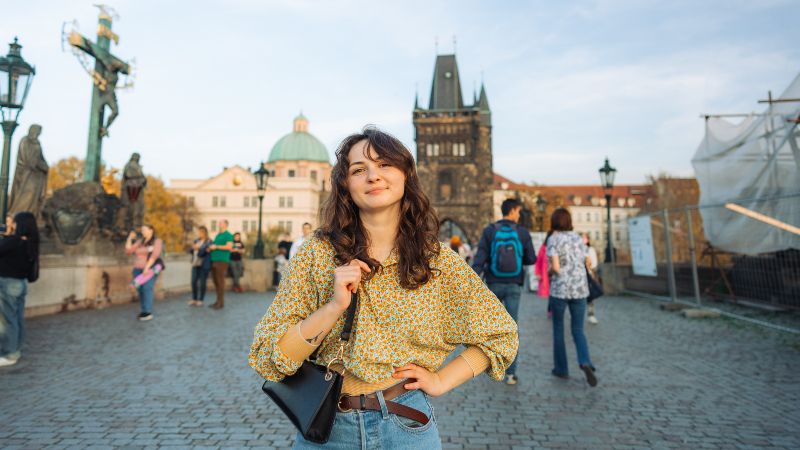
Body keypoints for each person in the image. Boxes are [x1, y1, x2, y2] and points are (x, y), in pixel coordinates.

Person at [249, 127, 518, 449]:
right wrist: (333, 308)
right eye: (359, 170)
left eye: (385, 165)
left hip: (407, 426)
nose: (373, 176)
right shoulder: (316, 254)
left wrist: (442, 379)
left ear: (406, 175)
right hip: (328, 429)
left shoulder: (437, 260)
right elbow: (268, 356)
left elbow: (502, 334)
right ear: (346, 186)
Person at [471, 198, 536, 386]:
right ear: (513, 211)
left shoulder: (490, 231)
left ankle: (488, 365)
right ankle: (511, 373)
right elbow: (531, 259)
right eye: (518, 211)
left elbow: (480, 259)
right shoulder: (522, 232)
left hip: (494, 283)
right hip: (514, 284)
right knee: (512, 328)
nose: (519, 214)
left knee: (492, 327)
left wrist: (472, 284)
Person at [547, 208, 597, 387]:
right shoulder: (578, 238)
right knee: (578, 329)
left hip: (560, 290)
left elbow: (556, 267)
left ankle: (561, 369)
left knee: (559, 330)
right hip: (580, 289)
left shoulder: (554, 239)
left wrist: (548, 272)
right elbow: (587, 262)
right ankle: (585, 361)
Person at [0, 212, 39, 367]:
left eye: (14, 223)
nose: (12, 225)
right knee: (17, 318)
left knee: (7, 319)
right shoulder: (30, 243)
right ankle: (16, 349)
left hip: (8, 284)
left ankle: (10, 353)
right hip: (21, 284)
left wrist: (6, 236)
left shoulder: (14, 242)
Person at [8, 124, 48, 218]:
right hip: (27, 173)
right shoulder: (25, 140)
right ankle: (18, 215)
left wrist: (44, 166)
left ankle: (29, 216)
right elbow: (26, 158)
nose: (39, 133)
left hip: (36, 174)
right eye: (37, 131)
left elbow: (40, 157)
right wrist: (39, 165)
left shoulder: (37, 142)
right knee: (29, 192)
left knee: (34, 195)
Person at [125, 224, 163, 321]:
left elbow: (154, 255)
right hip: (137, 269)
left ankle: (147, 311)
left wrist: (146, 268)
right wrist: (129, 238)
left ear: (151, 230)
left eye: (145, 230)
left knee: (147, 288)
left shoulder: (156, 242)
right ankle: (144, 310)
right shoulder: (140, 242)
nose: (143, 232)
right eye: (142, 230)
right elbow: (129, 250)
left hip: (150, 269)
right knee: (141, 290)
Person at [208, 220, 234, 309]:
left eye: (221, 223)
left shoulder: (228, 235)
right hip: (214, 260)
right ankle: (218, 300)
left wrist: (216, 247)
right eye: (219, 223)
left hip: (222, 260)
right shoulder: (218, 235)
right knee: (215, 281)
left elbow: (229, 247)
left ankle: (221, 302)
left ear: (225, 224)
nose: (219, 224)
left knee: (220, 281)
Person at [187, 226, 212, 306]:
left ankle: (201, 299)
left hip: (203, 264)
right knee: (193, 281)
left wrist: (199, 247)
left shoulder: (209, 241)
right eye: (199, 232)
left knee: (202, 282)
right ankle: (194, 298)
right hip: (195, 263)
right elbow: (192, 251)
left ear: (205, 232)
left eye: (201, 232)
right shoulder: (197, 240)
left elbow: (206, 251)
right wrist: (193, 248)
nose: (200, 233)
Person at [535, 229, 555, 318]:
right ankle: (550, 310)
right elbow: (538, 260)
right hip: (547, 274)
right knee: (551, 293)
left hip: (556, 274)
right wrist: (537, 273)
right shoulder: (544, 247)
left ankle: (554, 310)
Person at [581, 233, 599, 324]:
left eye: (584, 237)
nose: (583, 239)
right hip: (579, 276)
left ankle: (591, 314)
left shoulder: (590, 249)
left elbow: (593, 262)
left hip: (588, 275)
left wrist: (589, 266)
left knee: (590, 296)